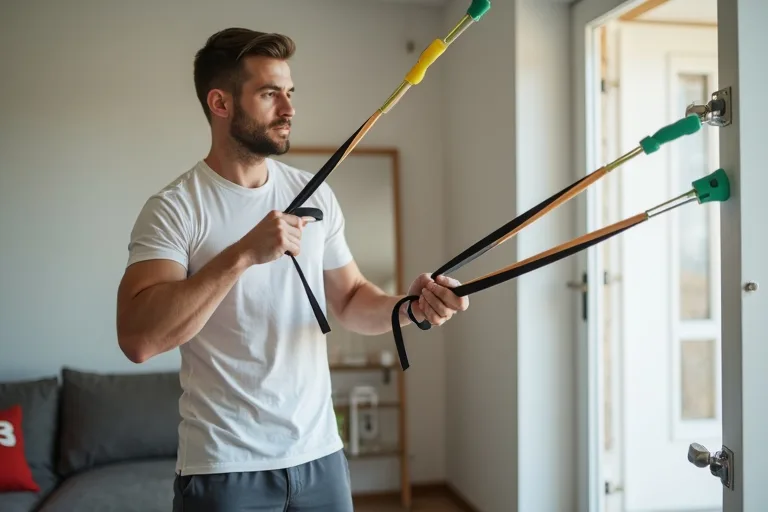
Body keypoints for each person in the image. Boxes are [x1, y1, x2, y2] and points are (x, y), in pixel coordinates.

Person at [115, 27, 469, 511]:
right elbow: (139, 339)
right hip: (224, 466)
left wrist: (409, 308)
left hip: (320, 455)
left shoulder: (315, 193)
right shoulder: (176, 208)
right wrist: (241, 254)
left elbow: (348, 299)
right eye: (269, 94)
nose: (289, 109)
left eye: (290, 93)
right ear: (220, 103)